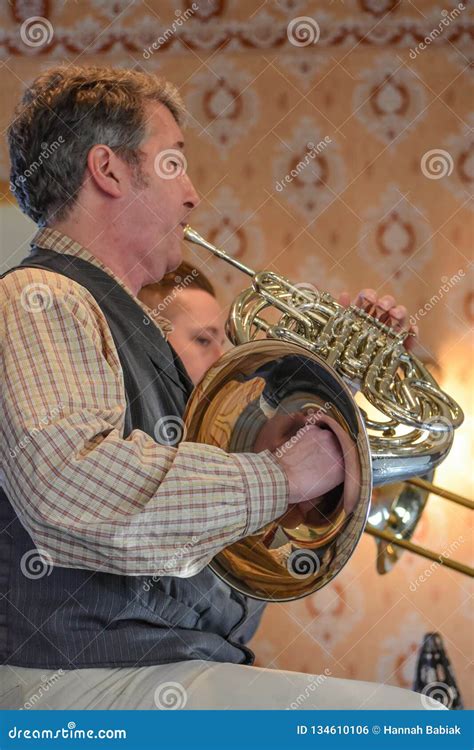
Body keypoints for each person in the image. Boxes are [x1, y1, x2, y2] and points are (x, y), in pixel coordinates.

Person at [0, 65, 432, 710]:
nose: (193, 195)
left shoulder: (130, 326)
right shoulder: (39, 296)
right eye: (173, 164)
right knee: (409, 721)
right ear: (109, 170)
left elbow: (245, 529)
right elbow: (71, 490)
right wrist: (279, 478)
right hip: (75, 680)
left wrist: (344, 390)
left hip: (160, 667)